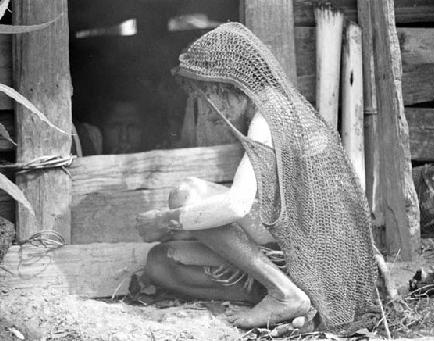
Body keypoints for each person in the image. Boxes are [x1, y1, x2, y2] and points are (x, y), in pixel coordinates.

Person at [136, 22, 377, 332]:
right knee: (159, 263)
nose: (212, 113)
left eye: (211, 98)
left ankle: (284, 294)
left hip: (315, 261)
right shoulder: (273, 110)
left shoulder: (267, 120)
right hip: (293, 257)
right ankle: (278, 292)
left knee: (184, 195)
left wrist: (166, 220)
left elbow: (236, 206)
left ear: (231, 89)